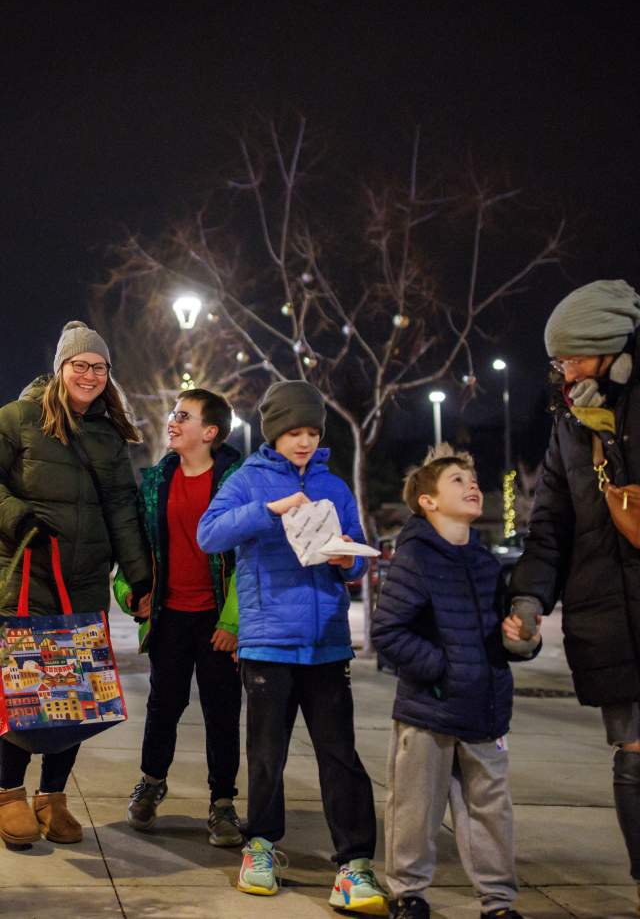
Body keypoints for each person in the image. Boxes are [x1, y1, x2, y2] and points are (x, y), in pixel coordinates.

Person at [197, 380, 387, 915]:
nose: (303, 441)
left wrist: (346, 560)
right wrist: (270, 510)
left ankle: (354, 863)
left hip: (326, 642)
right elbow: (208, 534)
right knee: (266, 753)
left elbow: (356, 550)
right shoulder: (248, 478)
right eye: (292, 432)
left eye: (310, 432)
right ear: (273, 432)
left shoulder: (333, 484)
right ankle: (260, 847)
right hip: (267, 642)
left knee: (340, 755)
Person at [503, 278, 640, 904]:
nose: (563, 370)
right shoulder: (569, 421)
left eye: (573, 357)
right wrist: (529, 601)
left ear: (608, 346)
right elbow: (549, 524)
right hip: (607, 618)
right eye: (558, 360)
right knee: (633, 754)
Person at [0, 320, 151, 847]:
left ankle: (53, 797)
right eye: (79, 365)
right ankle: (9, 795)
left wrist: (139, 576)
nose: (89, 374)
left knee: (75, 696)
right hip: (28, 579)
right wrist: (18, 517)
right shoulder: (17, 420)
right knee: (29, 690)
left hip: (85, 583)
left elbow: (123, 511)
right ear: (60, 369)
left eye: (99, 367)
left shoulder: (108, 435)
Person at [372, 444, 536, 919]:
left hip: (485, 709)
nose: (472, 487)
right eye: (458, 481)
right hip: (430, 711)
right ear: (427, 500)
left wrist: (519, 640)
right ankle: (408, 894)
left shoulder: (486, 564)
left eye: (473, 479)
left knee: (491, 811)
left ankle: (499, 903)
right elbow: (388, 632)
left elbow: (498, 633)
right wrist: (444, 672)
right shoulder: (416, 557)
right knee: (414, 809)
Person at [114, 388, 243, 846]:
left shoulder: (236, 482)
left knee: (222, 711)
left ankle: (223, 804)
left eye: (183, 415)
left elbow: (248, 560)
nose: (172, 420)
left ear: (209, 432)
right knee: (163, 706)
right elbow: (133, 550)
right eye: (173, 412)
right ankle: (151, 783)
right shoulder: (155, 482)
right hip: (169, 617)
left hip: (215, 621)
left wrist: (232, 622)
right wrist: (132, 593)